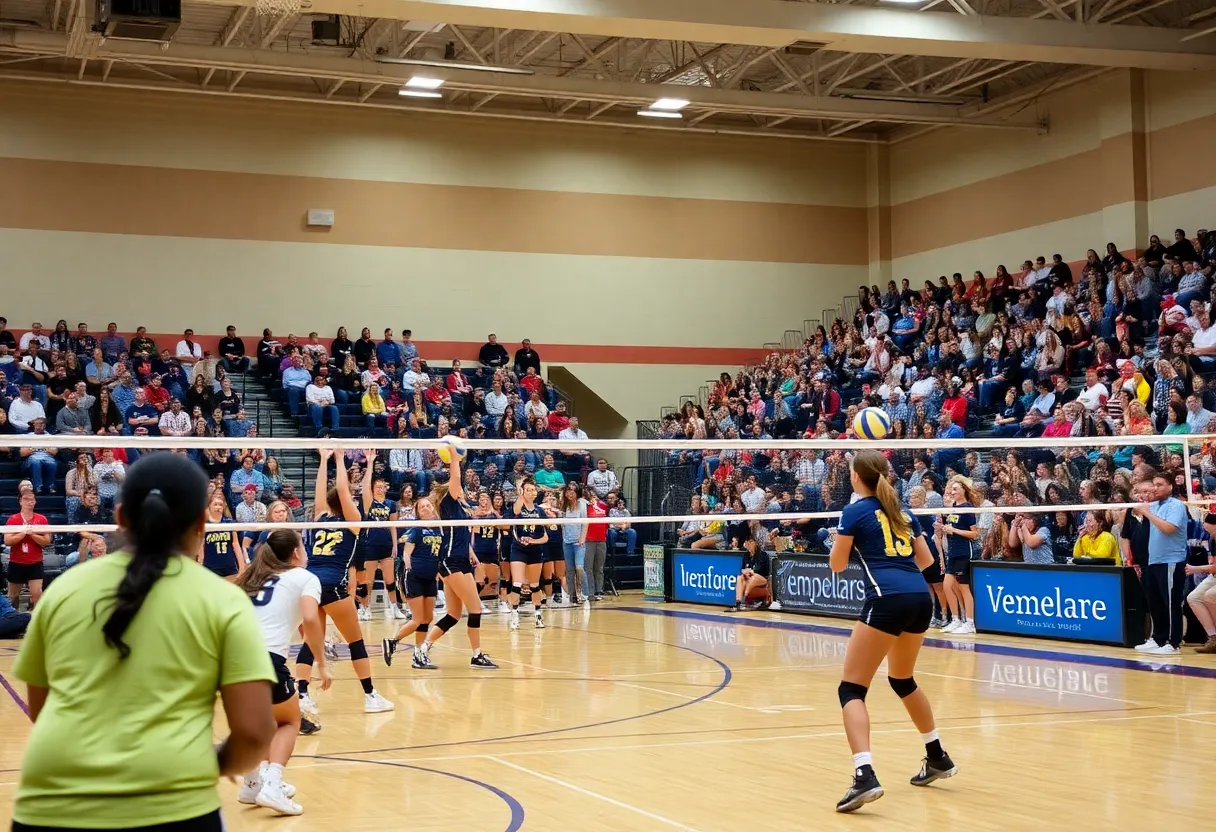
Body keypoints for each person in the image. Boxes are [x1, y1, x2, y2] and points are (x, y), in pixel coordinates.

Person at [9, 452, 276, 831]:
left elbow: (41, 708)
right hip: (174, 804)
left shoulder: (64, 589)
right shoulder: (223, 600)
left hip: (50, 804)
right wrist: (209, 763)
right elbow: (254, 732)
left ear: (119, 518)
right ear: (202, 522)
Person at [829, 450, 955, 813]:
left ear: (856, 477)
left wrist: (857, 547)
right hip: (919, 596)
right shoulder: (903, 511)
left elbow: (837, 565)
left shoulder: (854, 511)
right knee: (902, 679)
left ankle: (864, 774)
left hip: (886, 599)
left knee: (851, 688)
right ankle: (937, 756)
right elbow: (927, 561)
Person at [234, 529, 331, 815]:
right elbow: (311, 618)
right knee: (289, 722)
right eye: (304, 545)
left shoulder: (254, 577)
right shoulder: (305, 578)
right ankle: (272, 786)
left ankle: (252, 783)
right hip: (264, 659)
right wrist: (321, 661)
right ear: (296, 553)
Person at [294, 449, 394, 720]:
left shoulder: (319, 518)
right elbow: (341, 488)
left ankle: (301, 693)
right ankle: (371, 695)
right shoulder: (354, 522)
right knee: (355, 642)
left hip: (310, 584)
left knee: (311, 642)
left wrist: (324, 459)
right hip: (334, 585)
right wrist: (339, 457)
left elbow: (324, 492)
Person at [409, 444, 498, 669]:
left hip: (460, 560)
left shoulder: (458, 507)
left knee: (454, 614)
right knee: (475, 608)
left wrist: (471, 553)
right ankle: (476, 654)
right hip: (451, 562)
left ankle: (421, 650)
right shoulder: (449, 500)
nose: (465, 490)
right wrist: (455, 458)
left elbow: (461, 534)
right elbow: (456, 478)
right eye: (459, 487)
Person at [383, 493, 443, 670]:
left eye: (428, 505)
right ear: (418, 512)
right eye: (421, 506)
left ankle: (418, 655)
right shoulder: (416, 529)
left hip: (430, 578)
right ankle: (392, 642)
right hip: (415, 577)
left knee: (428, 618)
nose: (426, 508)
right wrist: (409, 571)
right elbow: (406, 553)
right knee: (418, 619)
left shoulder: (438, 529)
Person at [1132, 469, 1188, 655]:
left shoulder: (1176, 506)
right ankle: (1158, 638)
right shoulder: (1154, 505)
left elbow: (1169, 528)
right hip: (1154, 560)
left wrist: (1147, 514)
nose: (1155, 488)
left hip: (1171, 561)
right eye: (1154, 485)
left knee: (1171, 602)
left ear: (1170, 486)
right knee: (1155, 602)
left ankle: (1173, 643)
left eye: (1159, 485)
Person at [356, 459, 405, 621]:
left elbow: (393, 525)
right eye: (377, 486)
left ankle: (394, 607)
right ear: (372, 489)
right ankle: (365, 607)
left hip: (386, 544)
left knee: (390, 579)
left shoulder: (391, 504)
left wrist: (395, 544)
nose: (381, 488)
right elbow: (365, 488)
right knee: (368, 580)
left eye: (383, 486)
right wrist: (370, 465)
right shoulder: (369, 502)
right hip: (370, 543)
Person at [934, 477, 980, 635]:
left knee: (963, 588)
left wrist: (954, 531)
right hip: (952, 552)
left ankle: (970, 623)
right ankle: (956, 619)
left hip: (964, 552)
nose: (952, 492)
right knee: (947, 586)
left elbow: (975, 533)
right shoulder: (953, 508)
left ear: (964, 491)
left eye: (955, 489)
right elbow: (951, 527)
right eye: (951, 489)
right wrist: (942, 527)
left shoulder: (967, 509)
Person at [507, 476, 549, 630]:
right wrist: (520, 493)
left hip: (535, 551)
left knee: (534, 585)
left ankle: (538, 615)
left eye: (533, 490)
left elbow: (545, 537)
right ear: (522, 492)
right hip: (518, 549)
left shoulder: (540, 511)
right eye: (528, 490)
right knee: (517, 583)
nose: (532, 492)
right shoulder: (518, 508)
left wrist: (533, 541)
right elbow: (516, 510)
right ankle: (514, 614)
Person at [4, 489, 50, 610]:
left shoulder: (42, 519)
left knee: (37, 594)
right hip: (17, 562)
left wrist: (32, 534)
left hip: (35, 562)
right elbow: (7, 541)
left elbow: (46, 541)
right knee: (12, 596)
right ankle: (13, 619)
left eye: (32, 499)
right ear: (20, 501)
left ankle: (36, 620)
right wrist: (23, 533)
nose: (30, 502)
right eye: (26, 499)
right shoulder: (13, 519)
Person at [199, 490, 247, 580]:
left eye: (220, 505)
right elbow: (201, 546)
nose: (218, 507)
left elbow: (236, 545)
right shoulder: (204, 525)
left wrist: (241, 567)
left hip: (229, 566)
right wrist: (200, 563)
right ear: (209, 506)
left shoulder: (230, 523)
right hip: (211, 566)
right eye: (215, 504)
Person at [724, 535, 770, 612]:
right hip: (749, 577)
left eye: (751, 542)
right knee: (740, 577)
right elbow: (742, 569)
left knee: (754, 577)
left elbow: (759, 569)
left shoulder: (762, 554)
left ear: (756, 543)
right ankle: (738, 603)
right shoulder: (746, 555)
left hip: (762, 579)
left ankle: (743, 600)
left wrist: (750, 571)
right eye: (747, 542)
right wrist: (745, 571)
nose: (749, 544)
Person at [560, 481, 588, 606]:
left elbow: (585, 522)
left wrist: (582, 537)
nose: (570, 492)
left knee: (579, 568)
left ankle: (585, 593)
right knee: (569, 570)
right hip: (567, 541)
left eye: (573, 490)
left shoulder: (582, 504)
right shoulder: (563, 506)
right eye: (568, 490)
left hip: (578, 541)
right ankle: (572, 595)